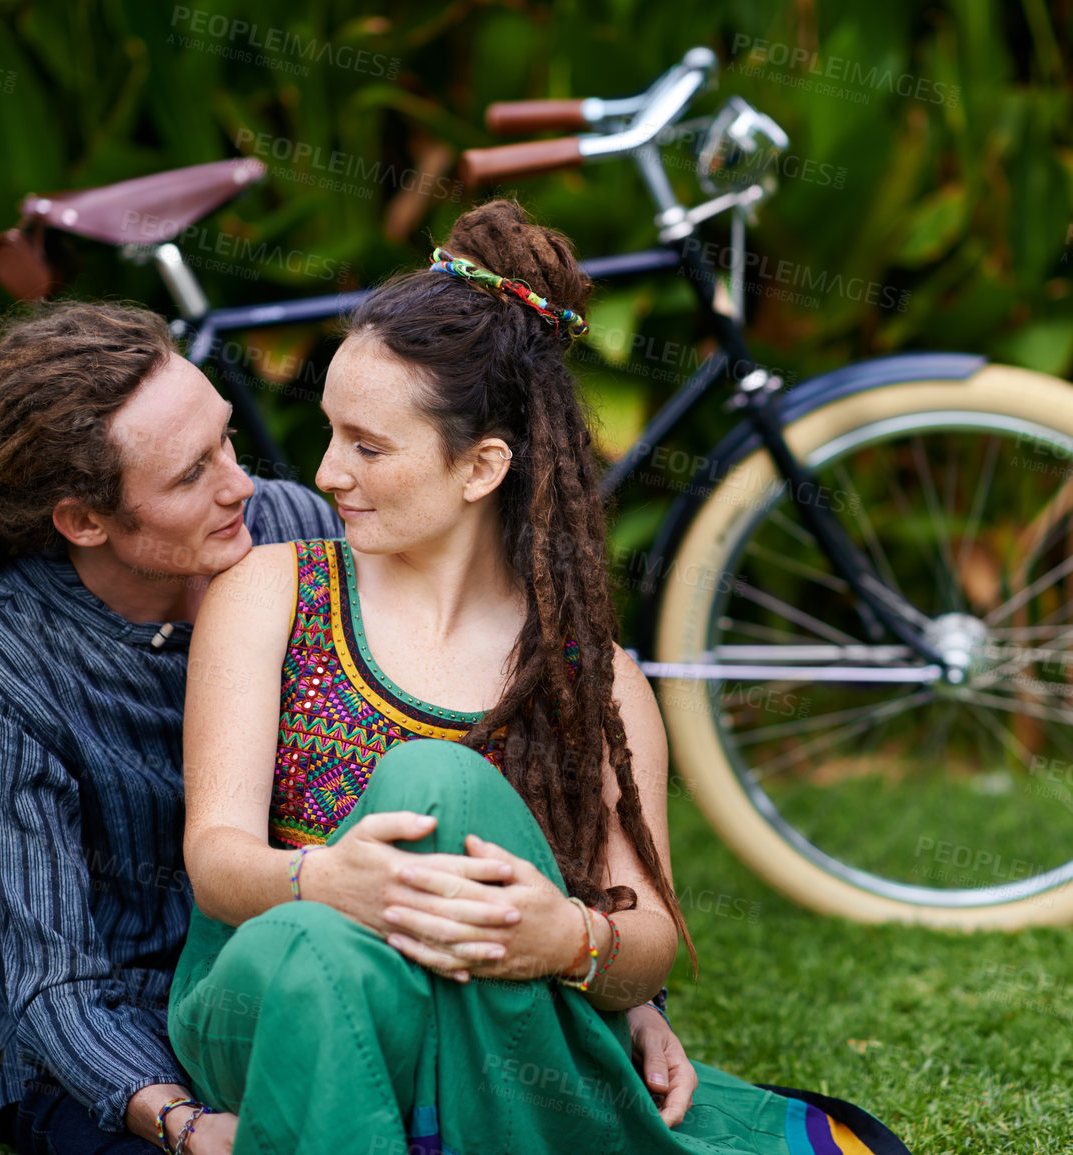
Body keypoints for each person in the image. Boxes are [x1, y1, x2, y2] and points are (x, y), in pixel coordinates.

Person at [0, 300, 700, 1155]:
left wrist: (615, 985)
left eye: (226, 441)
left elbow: (519, 813)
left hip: (370, 965)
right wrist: (179, 1122)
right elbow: (50, 975)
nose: (242, 483)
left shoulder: (285, 531)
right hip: (129, 1039)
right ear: (86, 521)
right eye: (189, 474)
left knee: (401, 846)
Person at [172, 200, 910, 1154]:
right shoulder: (275, 590)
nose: (325, 473)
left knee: (407, 822)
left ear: (480, 467)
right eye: (328, 433)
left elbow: (642, 938)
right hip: (253, 998)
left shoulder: (588, 675)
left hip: (433, 1008)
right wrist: (329, 880)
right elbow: (218, 863)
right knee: (318, 936)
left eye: (367, 445)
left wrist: (563, 938)